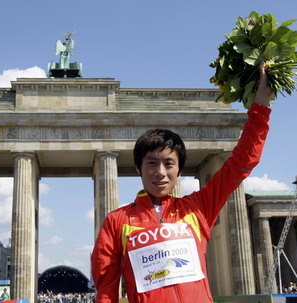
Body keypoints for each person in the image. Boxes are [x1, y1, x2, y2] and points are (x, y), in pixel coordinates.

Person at [91, 61, 274, 303]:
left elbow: (241, 163)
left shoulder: (198, 208)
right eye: (151, 163)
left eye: (169, 164)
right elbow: (106, 292)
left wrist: (260, 106)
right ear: (138, 168)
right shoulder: (117, 221)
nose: (160, 172)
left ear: (179, 170)